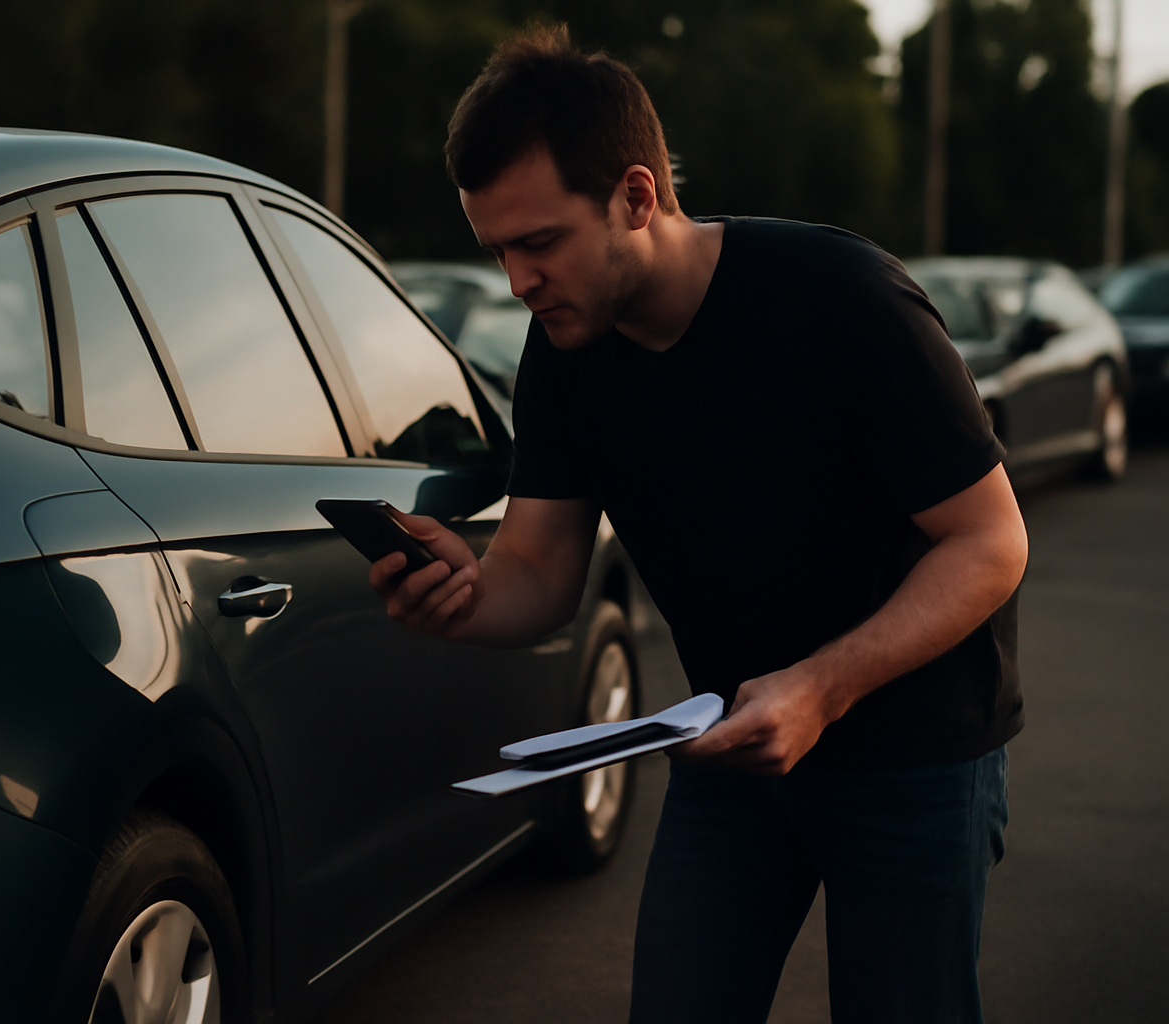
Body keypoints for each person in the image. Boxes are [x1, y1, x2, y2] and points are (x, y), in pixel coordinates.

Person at [370, 23, 1028, 1024]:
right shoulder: (564, 349)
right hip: (732, 748)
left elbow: (991, 542)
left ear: (637, 197)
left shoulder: (844, 299)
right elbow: (538, 573)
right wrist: (457, 597)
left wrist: (820, 689)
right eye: (497, 249)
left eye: (539, 242)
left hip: (918, 752)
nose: (516, 281)